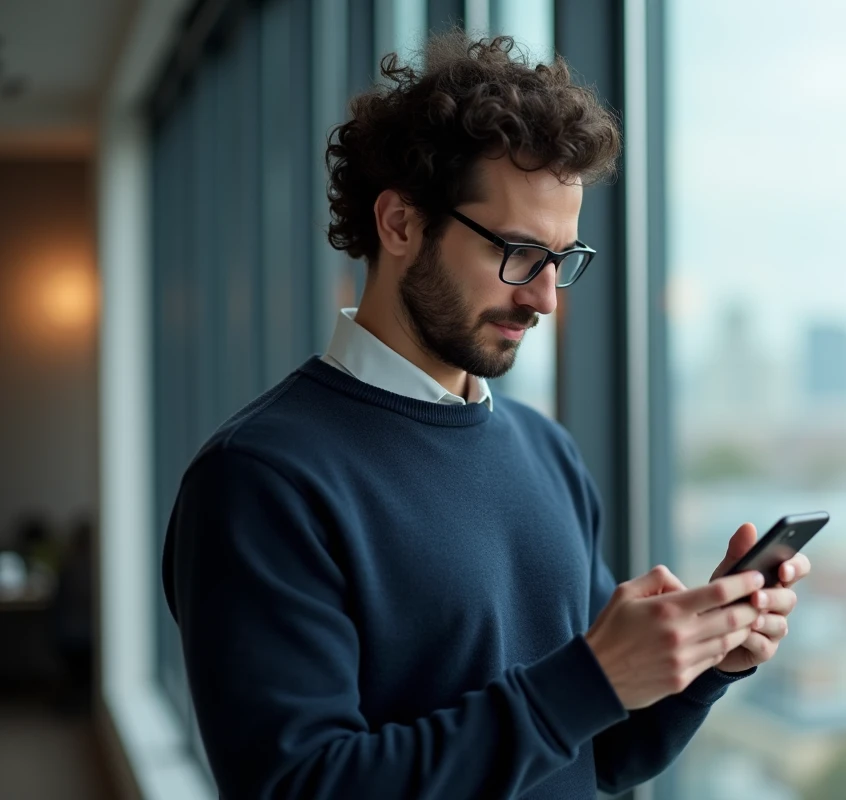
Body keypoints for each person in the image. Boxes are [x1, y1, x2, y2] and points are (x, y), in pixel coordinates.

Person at [162, 32, 812, 800]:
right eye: (518, 252)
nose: (544, 298)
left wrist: (705, 664)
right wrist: (591, 680)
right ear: (400, 224)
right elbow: (302, 786)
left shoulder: (546, 451)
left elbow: (597, 755)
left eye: (561, 260)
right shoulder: (259, 479)